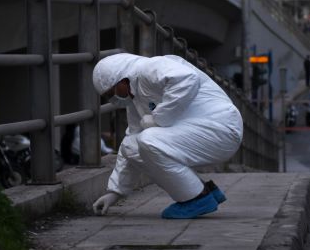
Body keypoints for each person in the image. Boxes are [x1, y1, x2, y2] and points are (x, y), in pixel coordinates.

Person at [91, 53, 243, 219]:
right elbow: (131, 142)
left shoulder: (148, 68)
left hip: (222, 127)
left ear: (120, 79)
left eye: (111, 91)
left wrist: (159, 118)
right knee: (132, 146)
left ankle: (197, 199)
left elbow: (187, 78)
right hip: (204, 130)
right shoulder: (135, 100)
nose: (112, 97)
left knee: (148, 140)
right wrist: (115, 193)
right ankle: (200, 189)